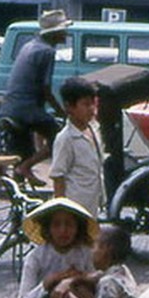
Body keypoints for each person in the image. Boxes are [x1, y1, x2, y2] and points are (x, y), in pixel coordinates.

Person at [14, 197, 98, 298]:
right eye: (57, 225)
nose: (63, 231)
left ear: (77, 228)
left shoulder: (85, 254)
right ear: (48, 228)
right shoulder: (36, 257)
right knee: (56, 291)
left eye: (69, 225)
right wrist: (48, 283)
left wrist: (81, 278)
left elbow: (99, 288)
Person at [1, 9, 71, 187]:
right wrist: (61, 112)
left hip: (10, 107)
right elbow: (45, 88)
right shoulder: (47, 52)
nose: (66, 33)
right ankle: (26, 167)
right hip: (27, 109)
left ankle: (20, 186)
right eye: (63, 30)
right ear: (55, 33)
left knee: (23, 150)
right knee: (58, 138)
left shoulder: (29, 45)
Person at [49, 76, 104, 216]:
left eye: (93, 104)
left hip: (92, 204)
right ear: (69, 107)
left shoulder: (94, 129)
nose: (91, 109)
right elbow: (58, 176)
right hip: (74, 207)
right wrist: (61, 210)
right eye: (86, 104)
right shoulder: (66, 138)